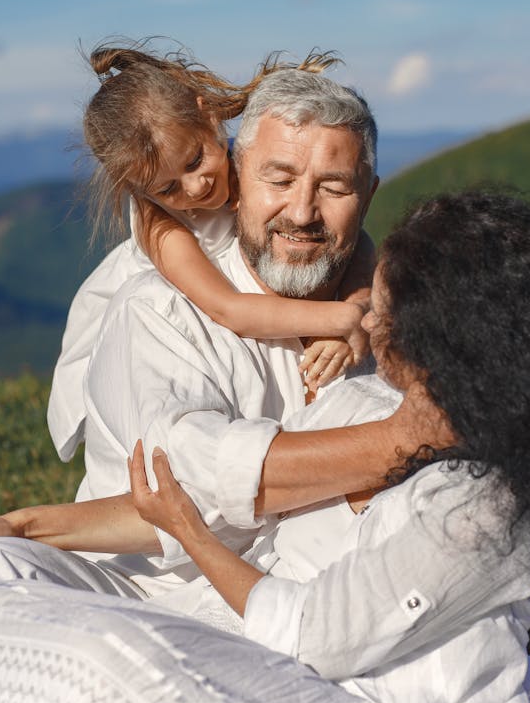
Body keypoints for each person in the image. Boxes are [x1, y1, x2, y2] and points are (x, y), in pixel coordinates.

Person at [0, 190, 530, 703]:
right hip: (256, 655)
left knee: (75, 654)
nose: (360, 314)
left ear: (439, 334)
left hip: (336, 684)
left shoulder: (492, 500)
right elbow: (197, 501)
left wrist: (194, 541)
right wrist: (21, 526)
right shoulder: (356, 403)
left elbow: (314, 634)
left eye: (379, 307)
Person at [0, 65, 425, 703]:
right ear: (242, 179)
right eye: (279, 178)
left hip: (308, 616)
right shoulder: (159, 307)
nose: (302, 210)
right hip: (149, 594)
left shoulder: (398, 322)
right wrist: (405, 439)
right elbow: (190, 479)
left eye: (333, 186)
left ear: (369, 194)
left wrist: (364, 312)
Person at [47, 42, 375, 465]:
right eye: (167, 189)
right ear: (138, 190)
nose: (196, 188)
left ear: (208, 116)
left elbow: (354, 237)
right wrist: (342, 320)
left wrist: (361, 303)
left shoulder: (256, 164)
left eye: (195, 159)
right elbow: (229, 308)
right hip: (166, 322)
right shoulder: (160, 228)